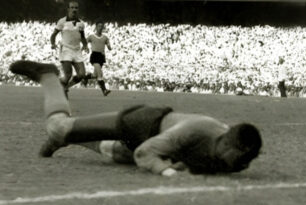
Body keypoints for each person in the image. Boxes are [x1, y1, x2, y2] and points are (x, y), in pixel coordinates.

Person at [9, 60, 263, 177]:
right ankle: (49, 75)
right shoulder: (195, 130)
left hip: (157, 135)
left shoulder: (234, 153)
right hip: (142, 122)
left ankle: (69, 138)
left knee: (116, 154)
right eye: (241, 157)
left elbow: (194, 158)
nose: (243, 165)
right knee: (58, 128)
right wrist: (167, 172)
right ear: (227, 143)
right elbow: (144, 153)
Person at [50, 1, 89, 96]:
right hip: (66, 49)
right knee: (68, 75)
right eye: (72, 7)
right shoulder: (62, 21)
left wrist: (85, 45)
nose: (74, 9)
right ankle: (60, 87)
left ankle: (65, 87)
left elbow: (82, 37)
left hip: (77, 50)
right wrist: (53, 43)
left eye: (76, 8)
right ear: (68, 9)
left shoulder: (81, 24)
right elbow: (54, 35)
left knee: (82, 75)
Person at [85, 20, 112, 96]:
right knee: (100, 74)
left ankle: (85, 78)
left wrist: (109, 47)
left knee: (95, 75)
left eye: (101, 26)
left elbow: (109, 46)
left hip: (101, 57)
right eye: (99, 26)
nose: (100, 28)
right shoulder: (91, 36)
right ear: (96, 27)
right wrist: (86, 48)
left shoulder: (105, 37)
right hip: (95, 56)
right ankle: (104, 90)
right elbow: (85, 42)